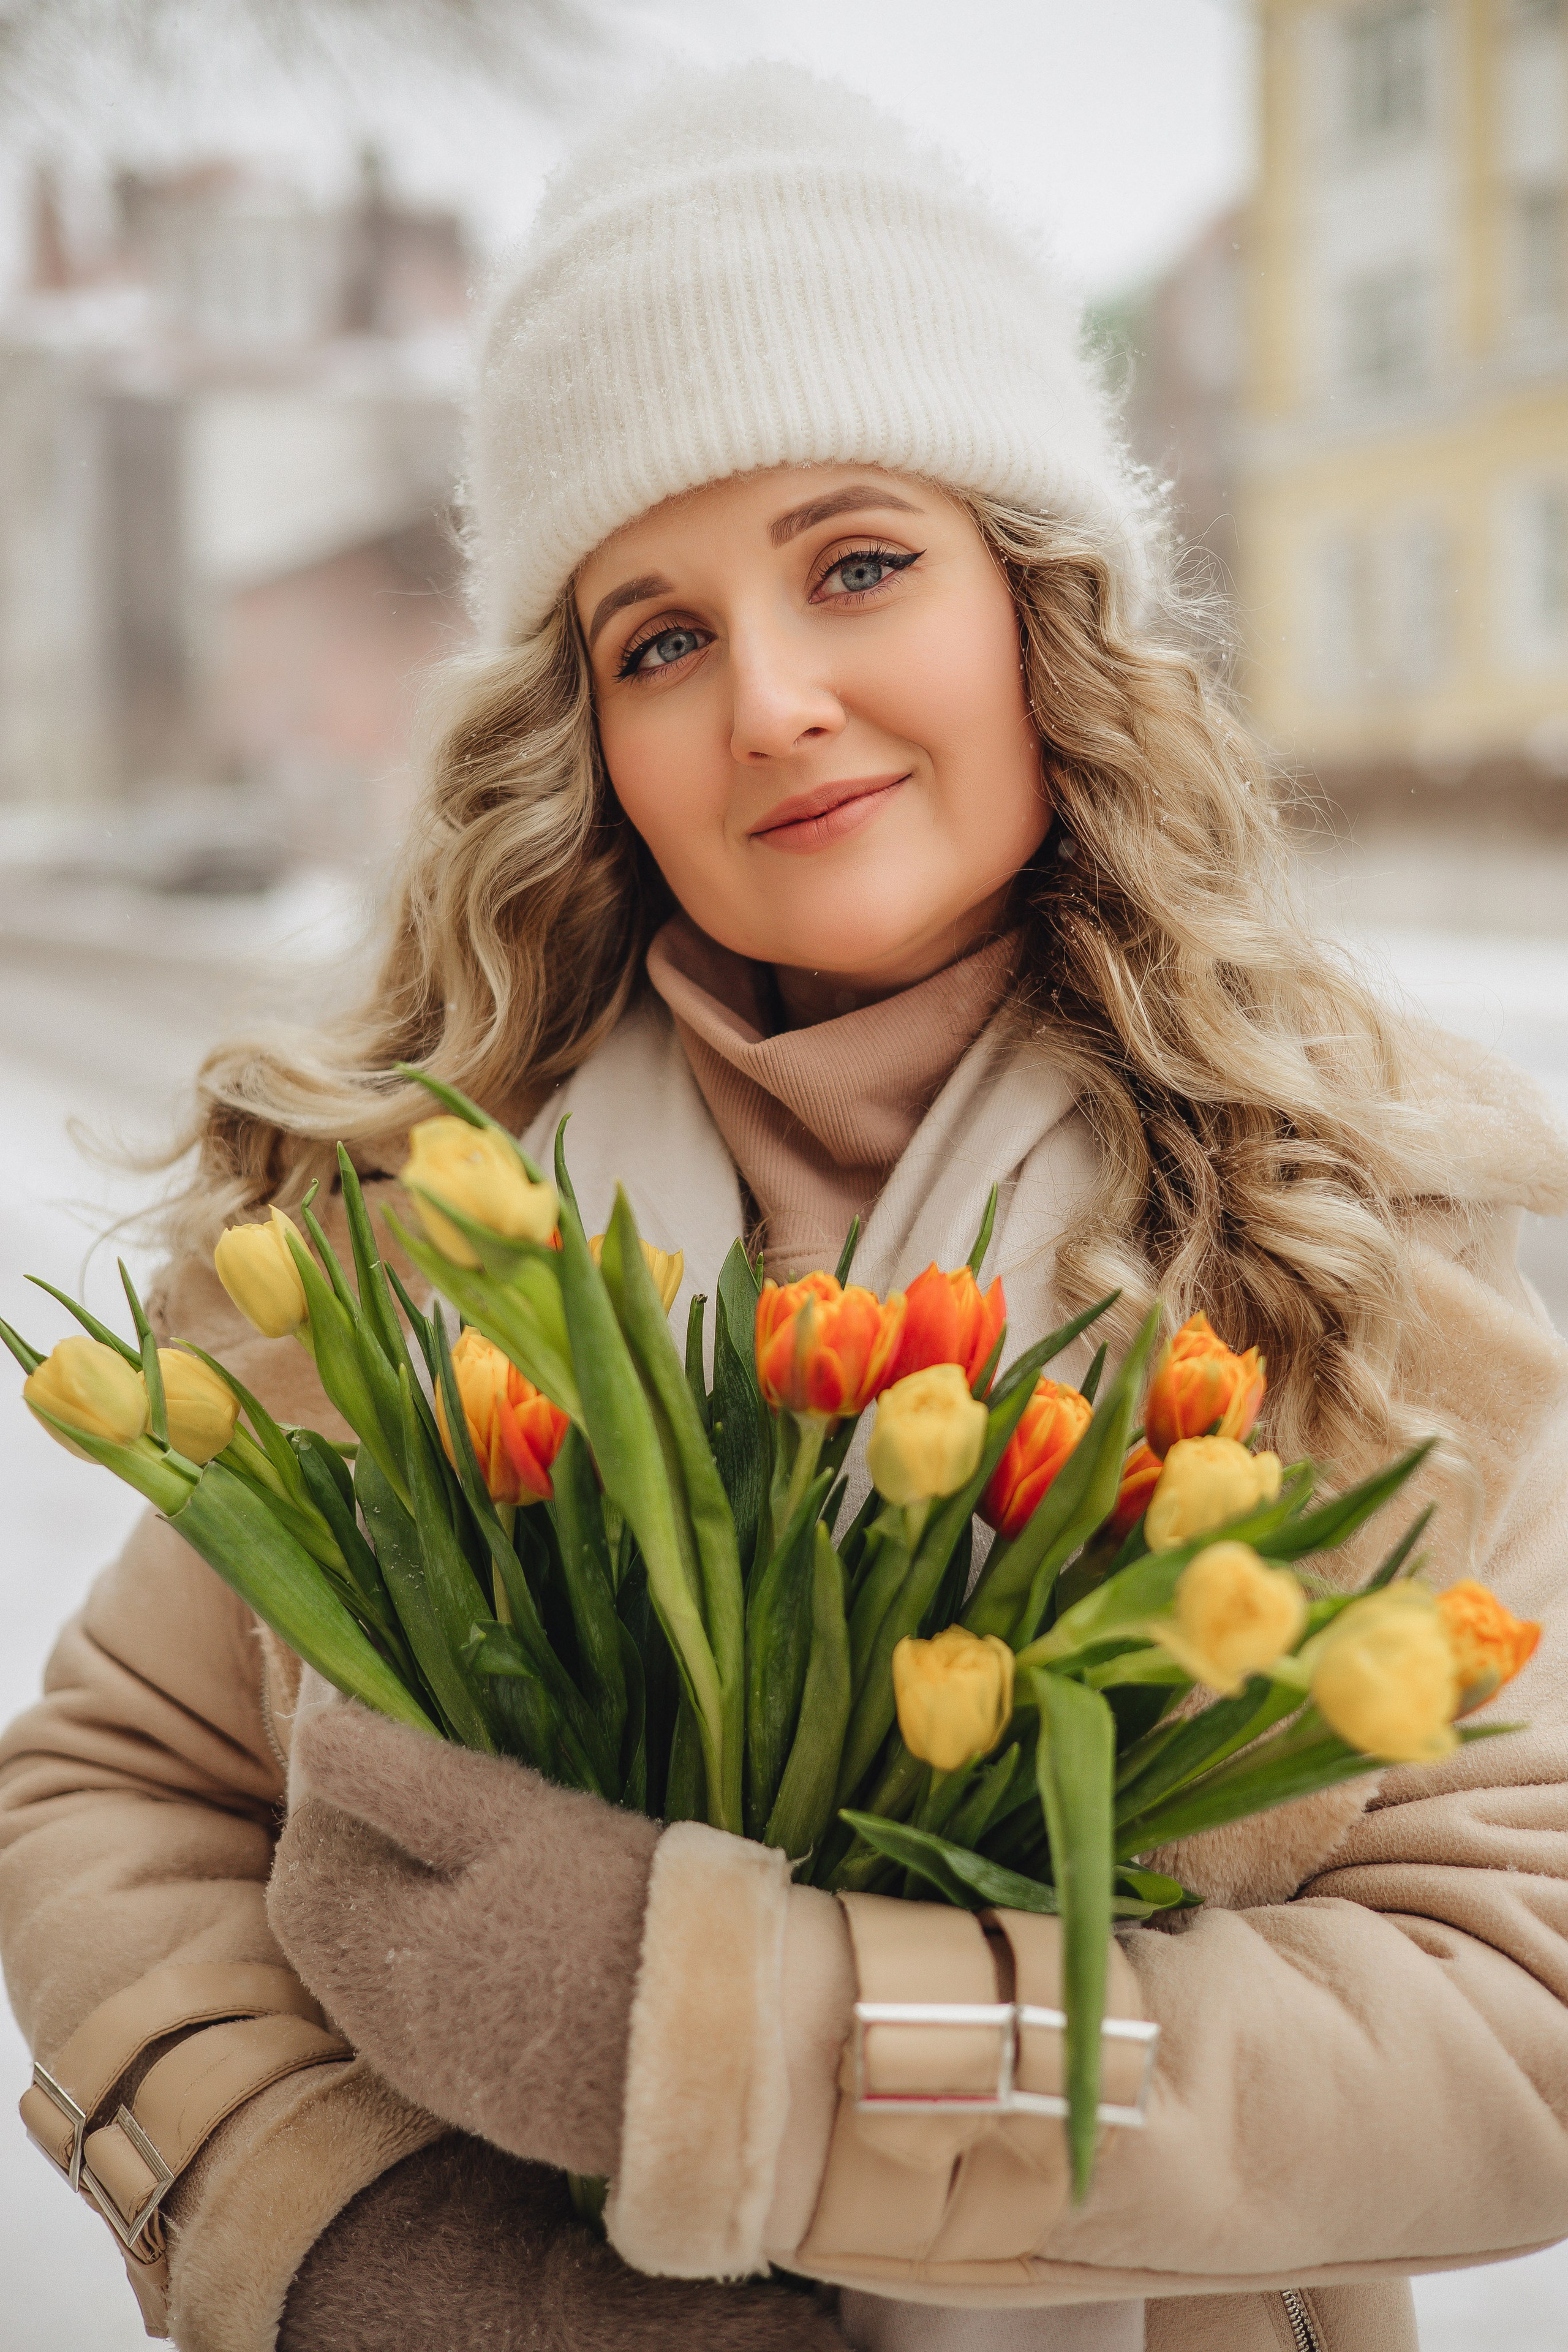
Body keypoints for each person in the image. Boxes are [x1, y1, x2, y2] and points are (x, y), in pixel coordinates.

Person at [4, 63, 1568, 2352]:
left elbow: (1505, 2004)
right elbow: (109, 1789)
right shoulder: (413, 1228)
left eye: (858, 565)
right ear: (589, 740)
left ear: (1037, 606)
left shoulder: (1353, 1235)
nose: (773, 703)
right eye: (659, 637)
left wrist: (731, 2044)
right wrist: (365, 2252)